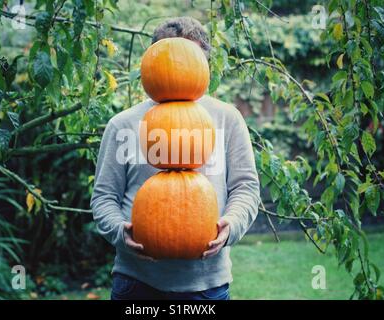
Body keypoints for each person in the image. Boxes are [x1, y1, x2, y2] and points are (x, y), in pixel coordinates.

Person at [91, 17, 260, 300]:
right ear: (153, 63)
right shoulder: (123, 124)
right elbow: (103, 197)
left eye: (189, 60)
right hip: (137, 283)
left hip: (207, 285)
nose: (179, 69)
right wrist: (122, 232)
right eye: (172, 61)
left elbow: (246, 188)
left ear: (203, 65)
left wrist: (231, 225)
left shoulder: (226, 118)